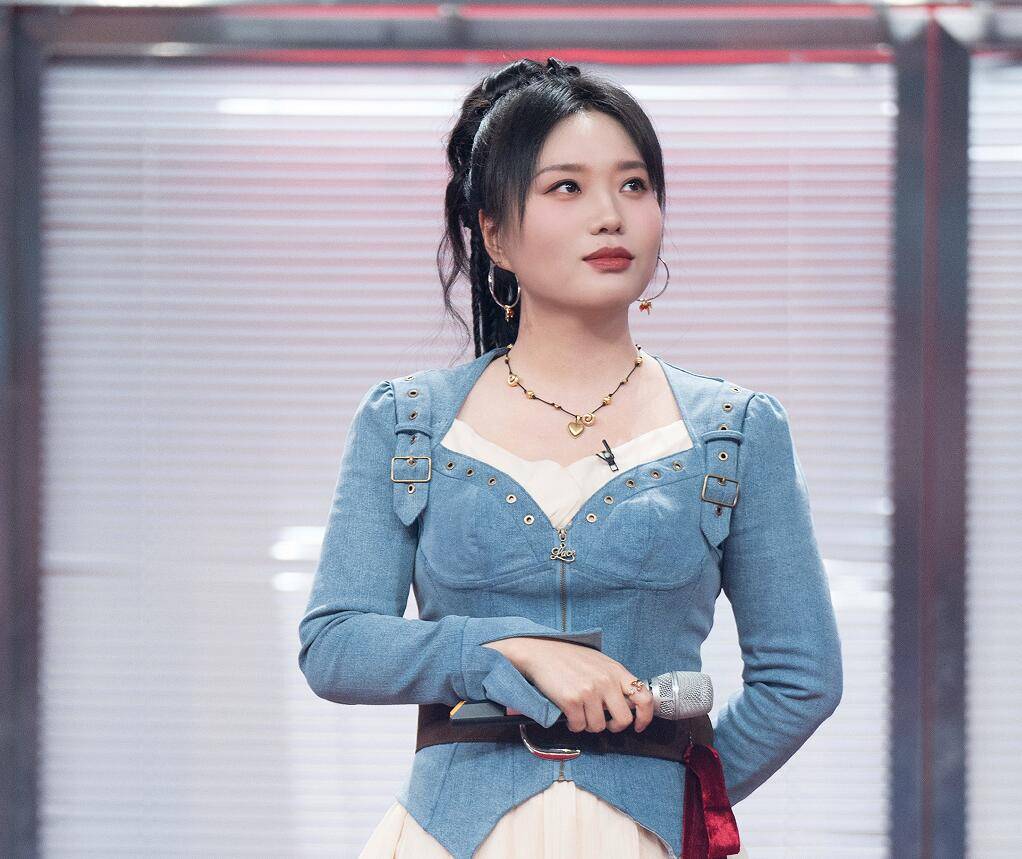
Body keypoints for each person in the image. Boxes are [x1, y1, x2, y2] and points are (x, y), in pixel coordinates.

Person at [298, 57, 843, 859]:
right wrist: (506, 647)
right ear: (495, 234)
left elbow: (802, 678)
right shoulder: (406, 420)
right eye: (567, 187)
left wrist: (679, 794)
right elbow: (335, 644)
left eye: (633, 185)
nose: (610, 216)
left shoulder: (738, 428)